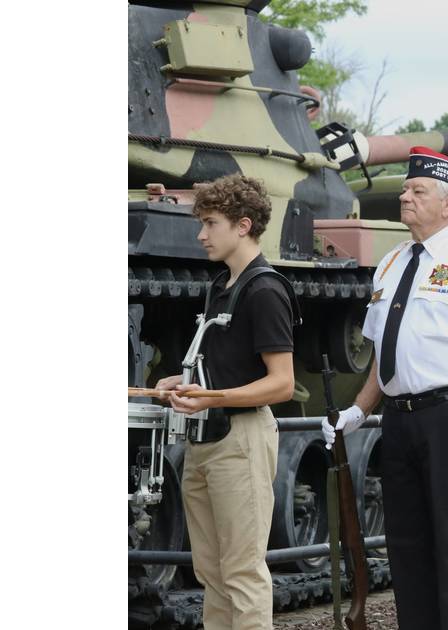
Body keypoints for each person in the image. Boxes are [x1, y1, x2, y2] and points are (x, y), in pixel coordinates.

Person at [322, 147, 448, 629]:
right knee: (405, 544)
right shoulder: (391, 262)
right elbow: (386, 356)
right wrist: (358, 412)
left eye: (416, 190)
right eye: (405, 189)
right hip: (400, 420)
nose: (404, 196)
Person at [154, 174, 297, 630]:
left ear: (243, 225)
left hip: (241, 439)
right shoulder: (221, 285)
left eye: (210, 223)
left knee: (241, 573)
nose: (200, 234)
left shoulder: (265, 289)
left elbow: (282, 384)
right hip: (207, 442)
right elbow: (229, 368)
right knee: (211, 573)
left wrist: (211, 396)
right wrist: (180, 381)